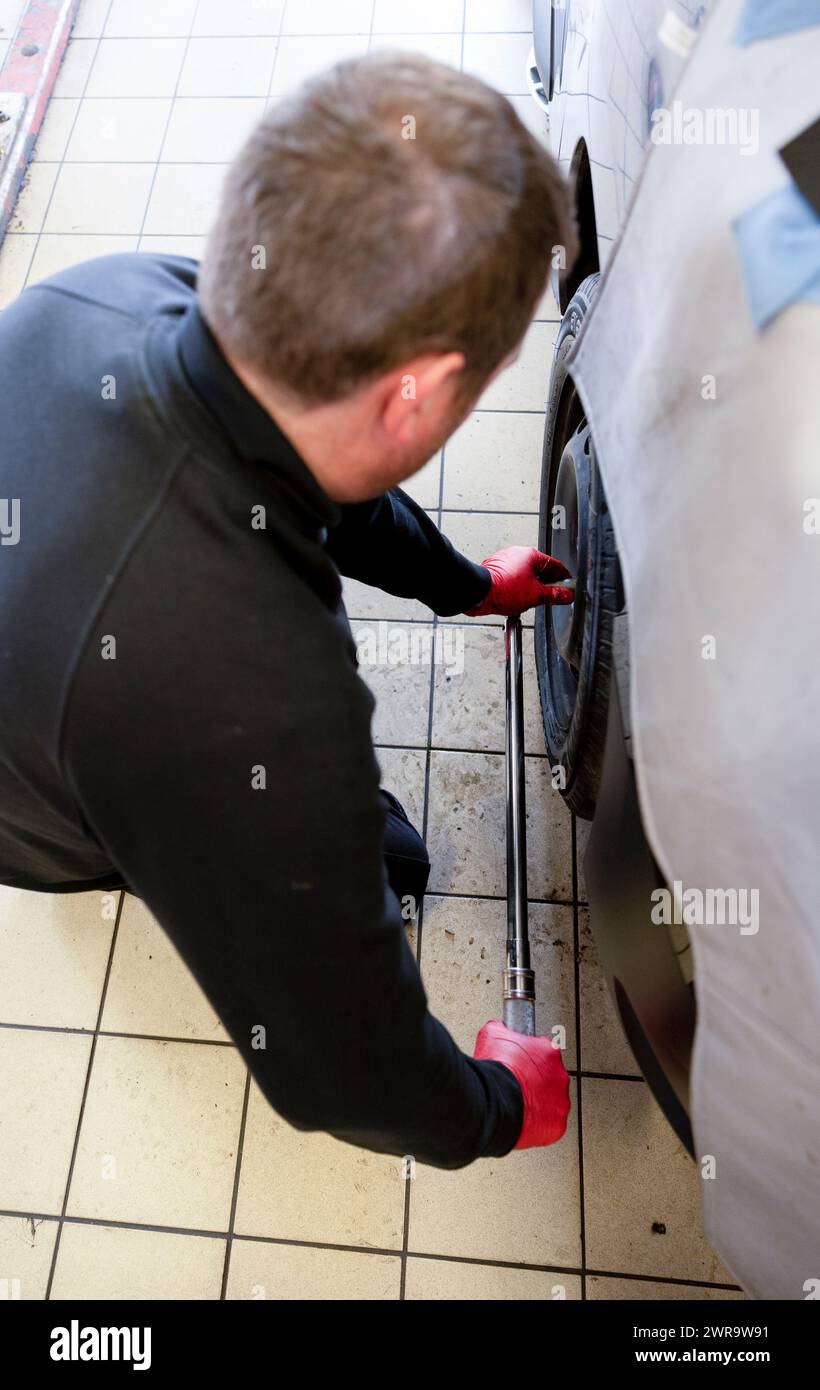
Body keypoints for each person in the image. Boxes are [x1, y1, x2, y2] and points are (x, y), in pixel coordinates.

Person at [0, 54, 576, 1168]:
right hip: (39, 799)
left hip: (48, 672)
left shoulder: (112, 296)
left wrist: (460, 583)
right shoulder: (253, 699)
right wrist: (503, 1105)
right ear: (414, 387)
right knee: (352, 864)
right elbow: (336, 1071)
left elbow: (310, 470)